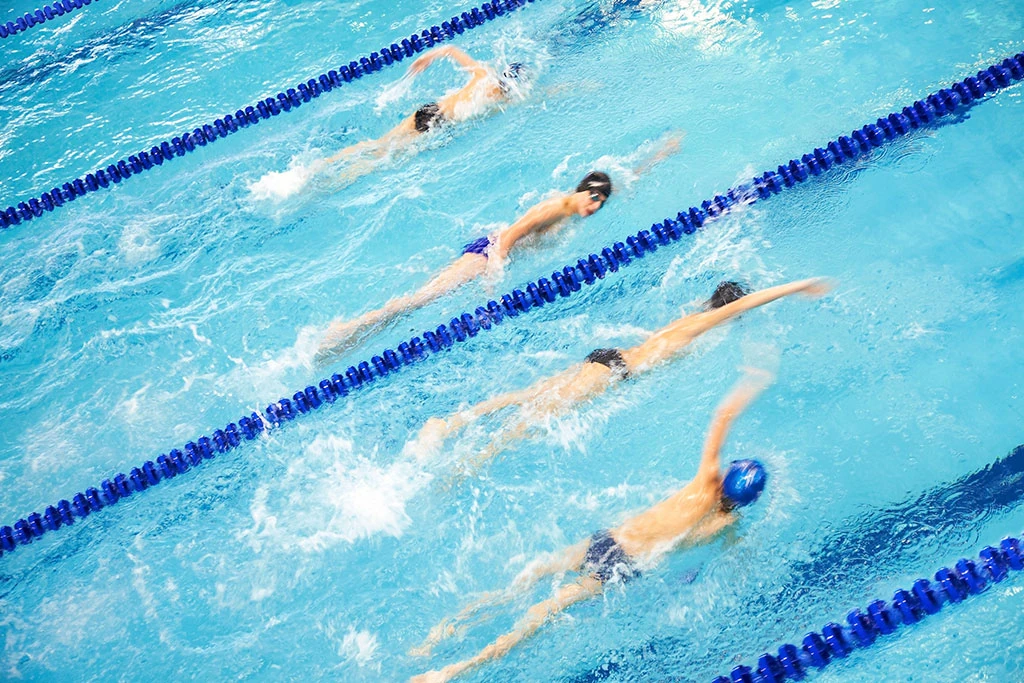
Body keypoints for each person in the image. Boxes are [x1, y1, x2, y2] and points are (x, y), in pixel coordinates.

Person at [409, 366, 777, 683]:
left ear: (728, 475)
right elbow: (732, 564)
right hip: (624, 568)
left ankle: (437, 638)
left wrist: (753, 380)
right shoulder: (727, 526)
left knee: (525, 581)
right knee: (543, 613)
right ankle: (454, 671)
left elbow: (723, 414)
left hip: (607, 540)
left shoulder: (702, 486)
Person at [314, 135, 682, 365]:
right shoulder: (556, 207)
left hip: (486, 252)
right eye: (596, 199)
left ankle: (352, 333)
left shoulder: (575, 204)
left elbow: (625, 179)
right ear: (584, 190)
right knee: (421, 300)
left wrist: (659, 156)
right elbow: (510, 236)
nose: (597, 208)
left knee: (422, 298)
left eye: (602, 202)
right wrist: (493, 278)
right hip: (485, 256)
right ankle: (345, 331)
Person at [413, 278, 830, 470]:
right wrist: (801, 286)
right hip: (615, 370)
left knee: (530, 395)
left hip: (609, 360)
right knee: (537, 417)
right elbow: (747, 305)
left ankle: (450, 423)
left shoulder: (690, 318)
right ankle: (472, 461)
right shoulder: (705, 324)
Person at [250, 46, 526, 200]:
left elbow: (451, 49)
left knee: (376, 144)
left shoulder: (483, 75)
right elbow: (531, 99)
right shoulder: (503, 98)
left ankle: (312, 169)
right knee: (382, 159)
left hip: (428, 110)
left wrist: (426, 57)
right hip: (437, 124)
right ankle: (332, 185)